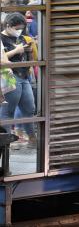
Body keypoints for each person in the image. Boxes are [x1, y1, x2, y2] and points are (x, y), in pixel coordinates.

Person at [0, 13, 36, 147]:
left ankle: (33, 139)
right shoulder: (1, 38)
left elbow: (29, 57)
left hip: (24, 75)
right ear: (8, 26)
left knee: (30, 108)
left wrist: (29, 50)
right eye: (17, 28)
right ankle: (5, 146)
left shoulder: (21, 38)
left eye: (21, 28)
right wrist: (16, 51)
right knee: (7, 111)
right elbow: (2, 59)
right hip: (7, 76)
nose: (19, 31)